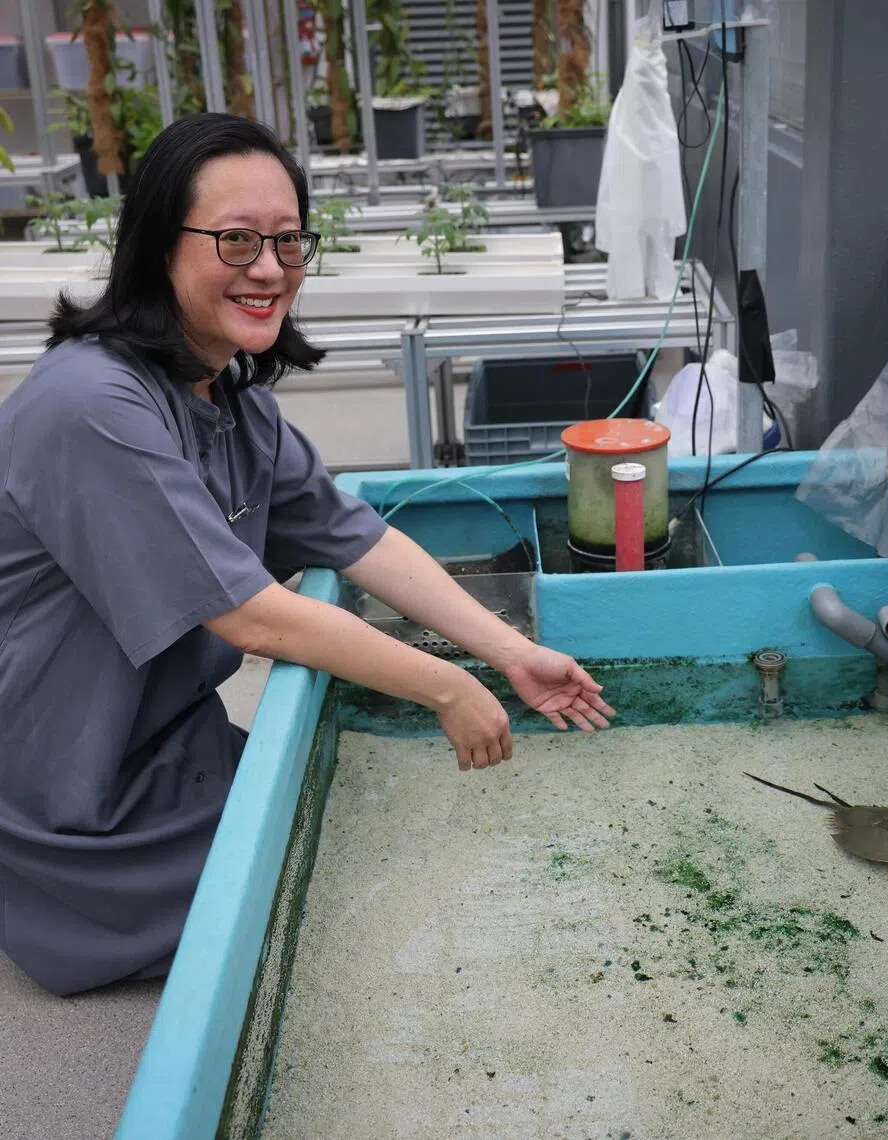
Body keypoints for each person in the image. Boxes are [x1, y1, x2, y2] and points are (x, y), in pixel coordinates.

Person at [0, 113, 615, 997]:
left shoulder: (233, 402)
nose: (269, 268)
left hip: (172, 745)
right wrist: (446, 685)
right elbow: (253, 617)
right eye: (236, 240)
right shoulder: (91, 406)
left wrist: (511, 653)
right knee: (335, 904)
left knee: (376, 840)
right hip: (68, 796)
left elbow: (358, 536)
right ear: (154, 244)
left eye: (288, 241)